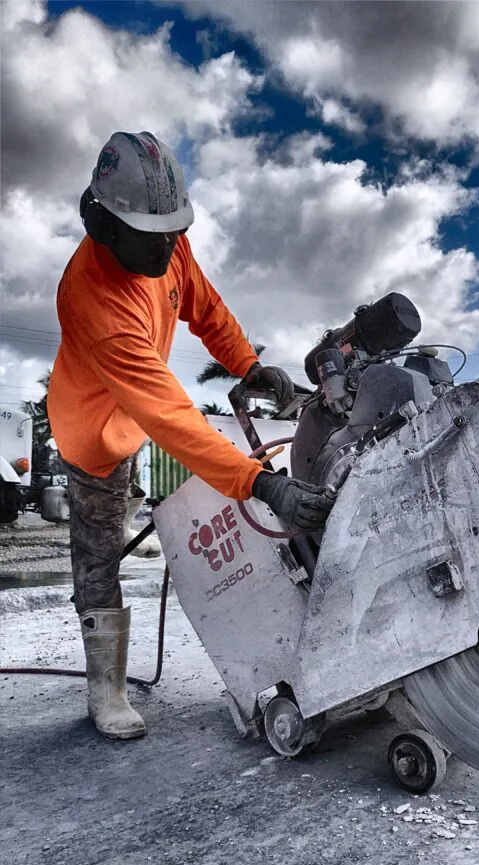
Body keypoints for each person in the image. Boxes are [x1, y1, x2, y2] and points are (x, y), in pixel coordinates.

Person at [49, 131, 335, 741]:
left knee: (149, 482)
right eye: (155, 240)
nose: (170, 251)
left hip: (136, 411)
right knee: (97, 551)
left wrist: (246, 364)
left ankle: (130, 523)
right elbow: (173, 418)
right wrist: (261, 484)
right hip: (92, 434)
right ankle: (107, 693)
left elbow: (205, 306)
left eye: (176, 234)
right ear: (106, 228)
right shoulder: (92, 301)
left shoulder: (163, 243)